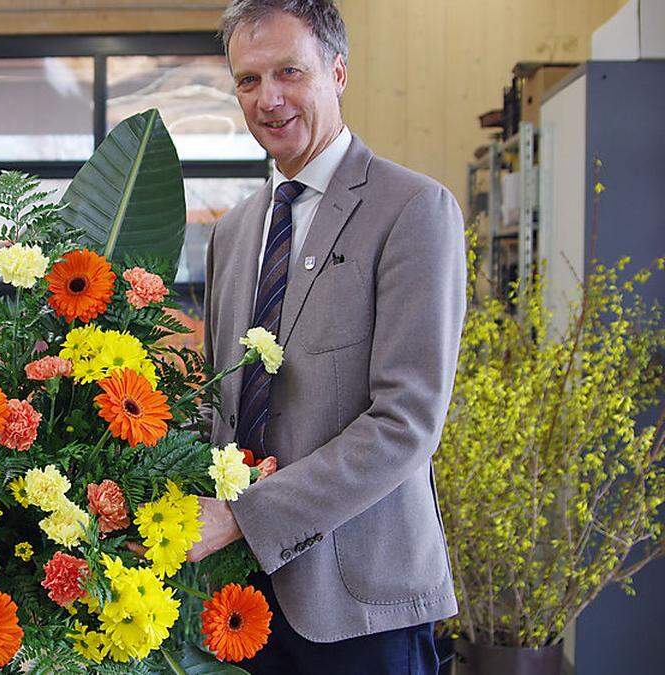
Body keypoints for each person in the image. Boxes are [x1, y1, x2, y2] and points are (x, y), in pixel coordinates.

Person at [189, 2, 467, 673]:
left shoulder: (413, 210)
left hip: (359, 607)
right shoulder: (233, 231)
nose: (268, 98)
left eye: (289, 72)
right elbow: (220, 403)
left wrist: (248, 515)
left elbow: (406, 421)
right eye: (248, 81)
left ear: (338, 72)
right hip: (235, 601)